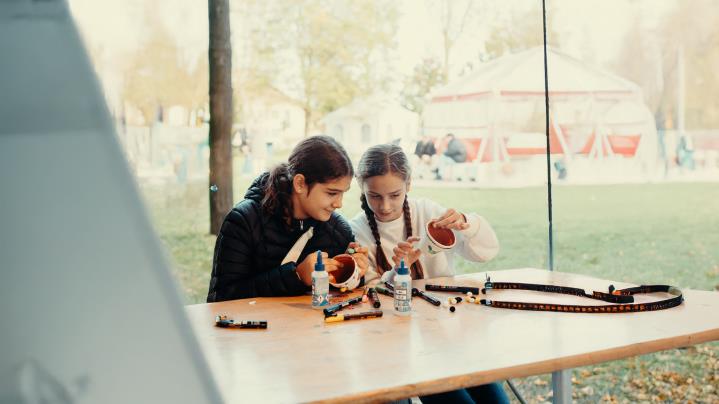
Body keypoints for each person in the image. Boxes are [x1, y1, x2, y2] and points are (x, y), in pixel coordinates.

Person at [350, 144, 506, 404]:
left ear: (409, 184)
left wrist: (466, 224)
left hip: (449, 333)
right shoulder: (357, 230)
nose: (385, 206)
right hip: (399, 347)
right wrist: (397, 272)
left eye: (395, 195)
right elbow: (371, 295)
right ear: (361, 187)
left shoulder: (429, 213)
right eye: (374, 196)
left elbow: (486, 252)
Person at [207, 135, 368, 302]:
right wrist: (296, 276)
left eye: (343, 193)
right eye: (332, 193)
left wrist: (351, 272)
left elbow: (344, 296)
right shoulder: (243, 221)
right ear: (300, 183)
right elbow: (221, 298)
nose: (339, 204)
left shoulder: (339, 229)